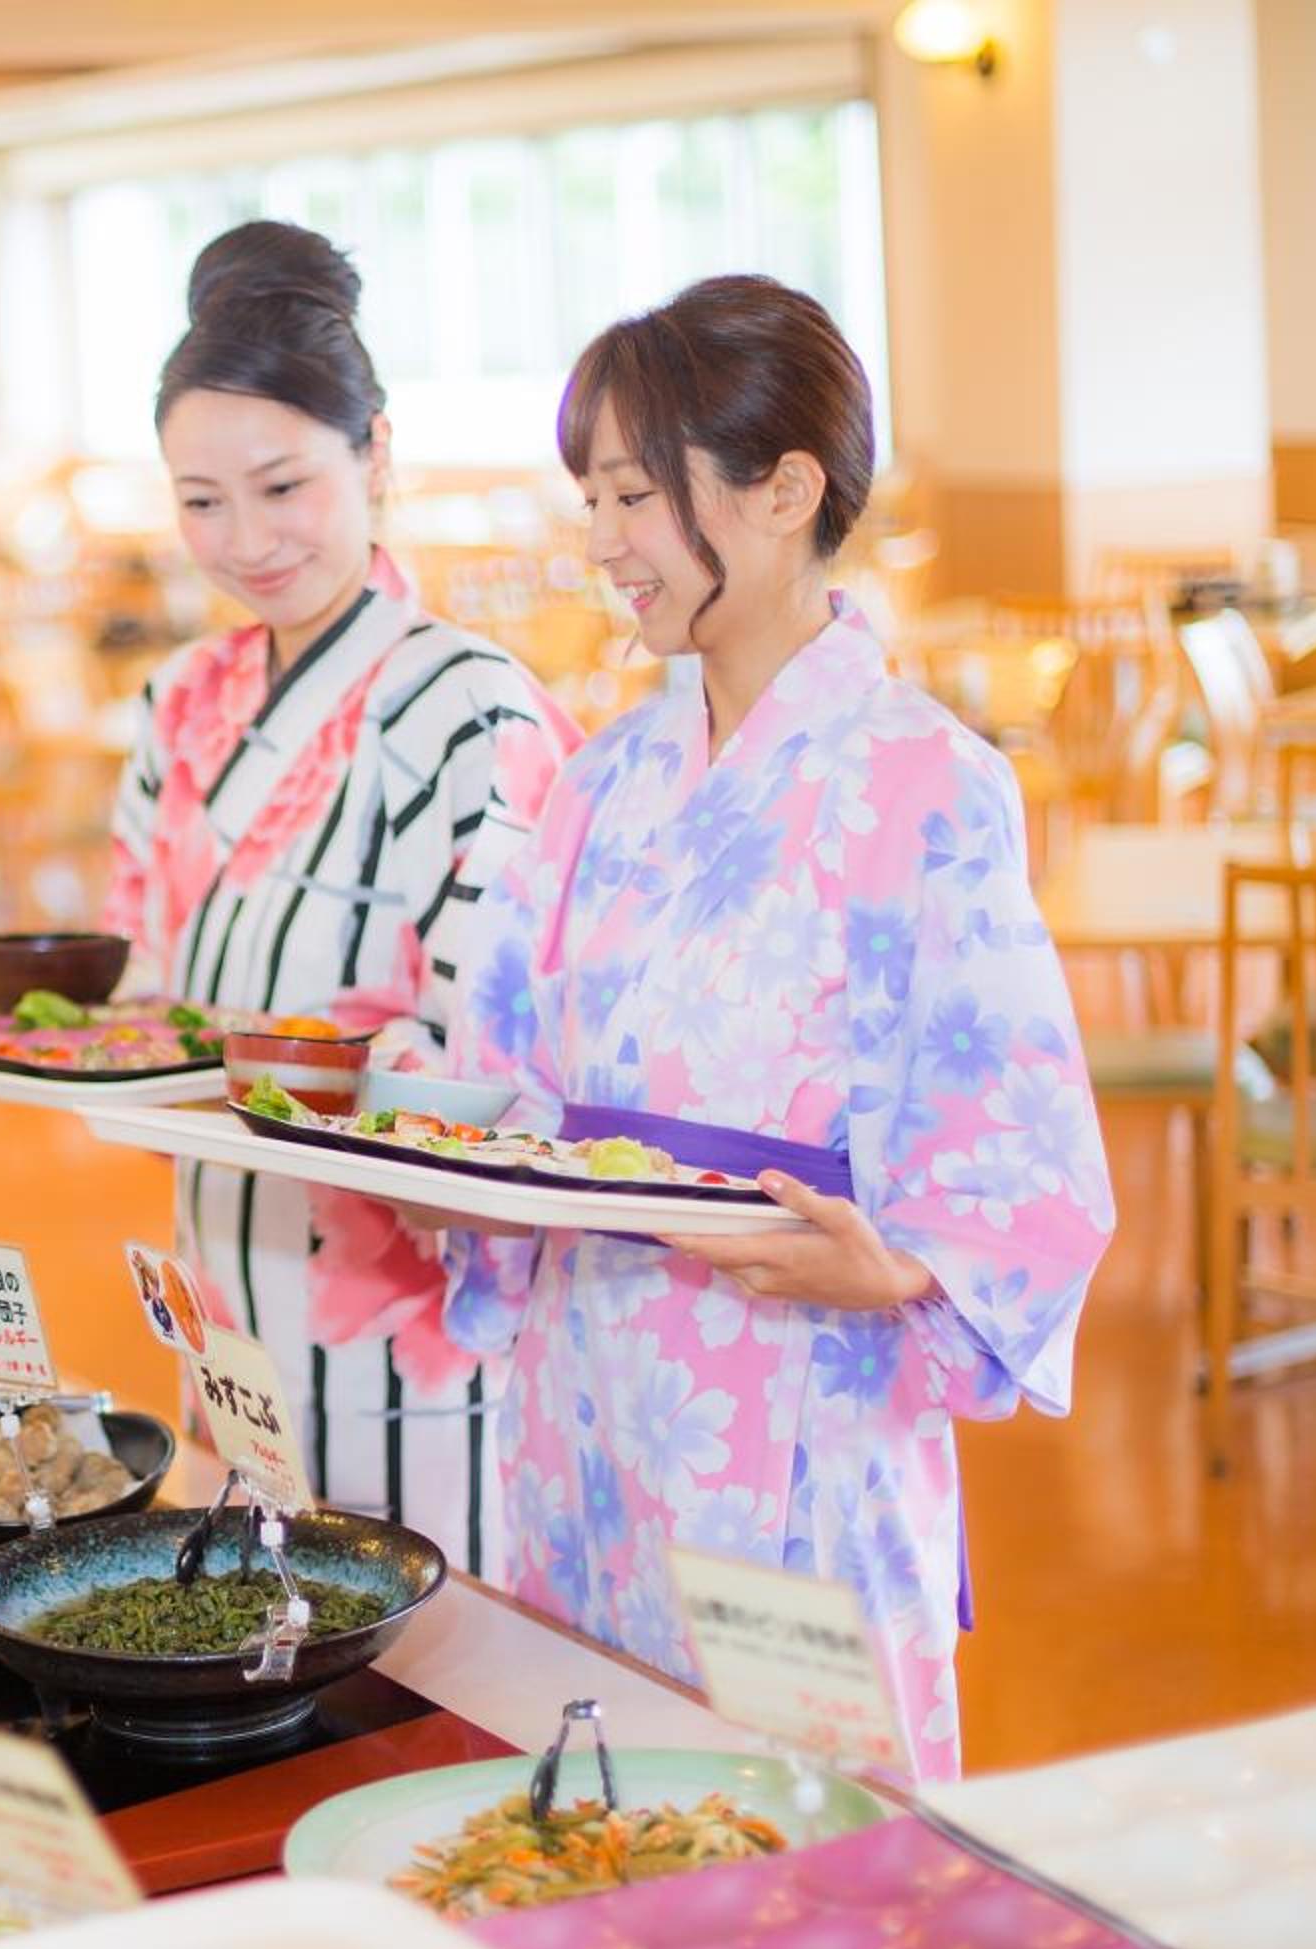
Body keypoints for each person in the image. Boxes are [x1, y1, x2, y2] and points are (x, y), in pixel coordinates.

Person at [439, 276, 1112, 1778]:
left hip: (791, 1379)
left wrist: (907, 1263)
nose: (601, 539)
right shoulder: (605, 776)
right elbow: (505, 1072)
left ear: (785, 488)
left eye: (632, 493)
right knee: (601, 1822)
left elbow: (1016, 1134)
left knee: (803, 1844)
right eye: (592, 495)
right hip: (586, 1400)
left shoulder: (927, 782)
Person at [105, 220, 581, 1577]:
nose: (245, 541)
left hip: (407, 1312)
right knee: (249, 1624)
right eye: (201, 501)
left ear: (376, 454)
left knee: (421, 1664)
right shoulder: (181, 706)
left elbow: (497, 1055)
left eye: (282, 485)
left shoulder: (468, 708)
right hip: (225, 1274)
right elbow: (138, 999)